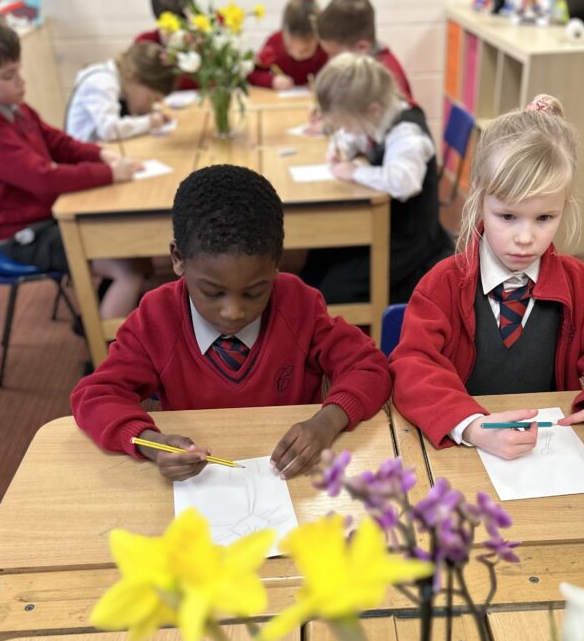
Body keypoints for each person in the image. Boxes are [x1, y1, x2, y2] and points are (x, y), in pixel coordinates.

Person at [70, 164, 392, 481]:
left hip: (291, 478)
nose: (233, 311)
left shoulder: (299, 304)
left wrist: (327, 421)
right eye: (213, 292)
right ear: (178, 259)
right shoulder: (157, 318)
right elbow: (95, 396)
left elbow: (370, 367)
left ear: (277, 264)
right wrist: (150, 443)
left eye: (254, 292)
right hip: (199, 485)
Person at [390, 95, 584, 468]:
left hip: (548, 458)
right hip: (463, 454)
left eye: (545, 217)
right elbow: (412, 366)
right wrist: (470, 425)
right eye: (508, 216)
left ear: (565, 206)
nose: (525, 237)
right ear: (480, 199)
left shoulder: (581, 286)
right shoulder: (443, 285)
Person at [0, 6, 147, 321]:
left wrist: (100, 154)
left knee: (130, 250)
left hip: (45, 217)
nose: (21, 81)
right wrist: (110, 173)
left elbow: (58, 142)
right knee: (128, 270)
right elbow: (42, 178)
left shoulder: (12, 105)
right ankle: (108, 360)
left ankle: (99, 319)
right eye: (8, 76)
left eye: (18, 69)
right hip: (23, 233)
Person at [300, 54, 453, 306]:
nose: (346, 131)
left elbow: (404, 182)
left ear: (372, 110)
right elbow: (363, 134)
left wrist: (354, 172)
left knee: (331, 290)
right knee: (318, 260)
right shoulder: (381, 114)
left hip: (409, 242)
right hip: (384, 223)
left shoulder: (407, 133)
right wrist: (345, 146)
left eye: (347, 125)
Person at [66, 42, 174, 143]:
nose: (151, 105)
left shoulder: (121, 82)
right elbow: (109, 130)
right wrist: (149, 122)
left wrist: (150, 115)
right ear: (133, 78)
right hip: (80, 158)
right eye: (152, 98)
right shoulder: (102, 81)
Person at [316, 0, 414, 102]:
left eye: (334, 55)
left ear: (362, 47)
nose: (330, 61)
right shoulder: (360, 65)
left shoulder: (388, 78)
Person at [248, 0, 328, 90]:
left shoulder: (325, 48)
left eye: (305, 50)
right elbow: (251, 74)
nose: (297, 55)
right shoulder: (274, 44)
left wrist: (325, 83)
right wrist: (272, 81)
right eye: (289, 47)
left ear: (318, 37)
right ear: (283, 32)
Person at [135, 0, 198, 92]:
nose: (179, 34)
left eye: (184, 24)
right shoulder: (146, 44)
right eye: (171, 29)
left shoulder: (205, 38)